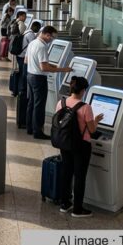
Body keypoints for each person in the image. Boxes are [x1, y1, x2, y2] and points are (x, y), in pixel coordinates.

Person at [57, 76, 104, 218]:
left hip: (65, 143)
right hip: (81, 146)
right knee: (79, 176)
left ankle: (65, 204)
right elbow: (92, 130)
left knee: (66, 172)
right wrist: (96, 120)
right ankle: (78, 209)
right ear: (83, 90)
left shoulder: (61, 102)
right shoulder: (86, 108)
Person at [25, 26, 72, 139]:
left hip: (30, 75)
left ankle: (30, 128)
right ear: (47, 34)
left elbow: (27, 60)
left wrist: (52, 66)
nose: (51, 40)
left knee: (31, 103)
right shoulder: (42, 46)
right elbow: (43, 68)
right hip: (39, 79)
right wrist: (62, 69)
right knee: (39, 105)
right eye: (52, 37)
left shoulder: (33, 43)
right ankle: (38, 131)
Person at [14, 21, 41, 99]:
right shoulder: (31, 35)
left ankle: (18, 90)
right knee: (23, 74)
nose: (38, 30)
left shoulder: (26, 31)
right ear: (35, 27)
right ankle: (22, 91)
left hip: (19, 55)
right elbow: (33, 46)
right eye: (38, 28)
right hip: (23, 56)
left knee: (21, 73)